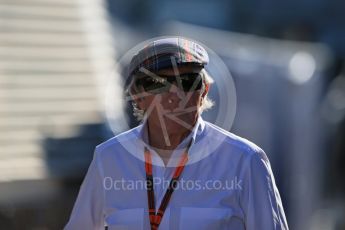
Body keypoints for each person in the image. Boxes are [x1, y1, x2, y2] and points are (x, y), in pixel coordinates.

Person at [65, 37, 289, 230]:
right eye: (157, 83)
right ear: (138, 97)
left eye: (187, 81)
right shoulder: (108, 157)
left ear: (204, 91)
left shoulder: (245, 160)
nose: (174, 95)